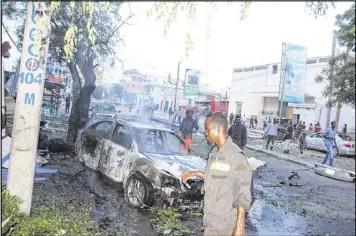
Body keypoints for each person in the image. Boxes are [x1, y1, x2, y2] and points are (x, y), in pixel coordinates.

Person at [181, 112, 252, 236]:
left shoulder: (235, 156)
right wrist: (197, 174)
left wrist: (240, 226)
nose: (205, 133)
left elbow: (243, 193)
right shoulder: (214, 152)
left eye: (207, 130)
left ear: (219, 129)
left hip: (225, 225)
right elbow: (218, 177)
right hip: (211, 221)